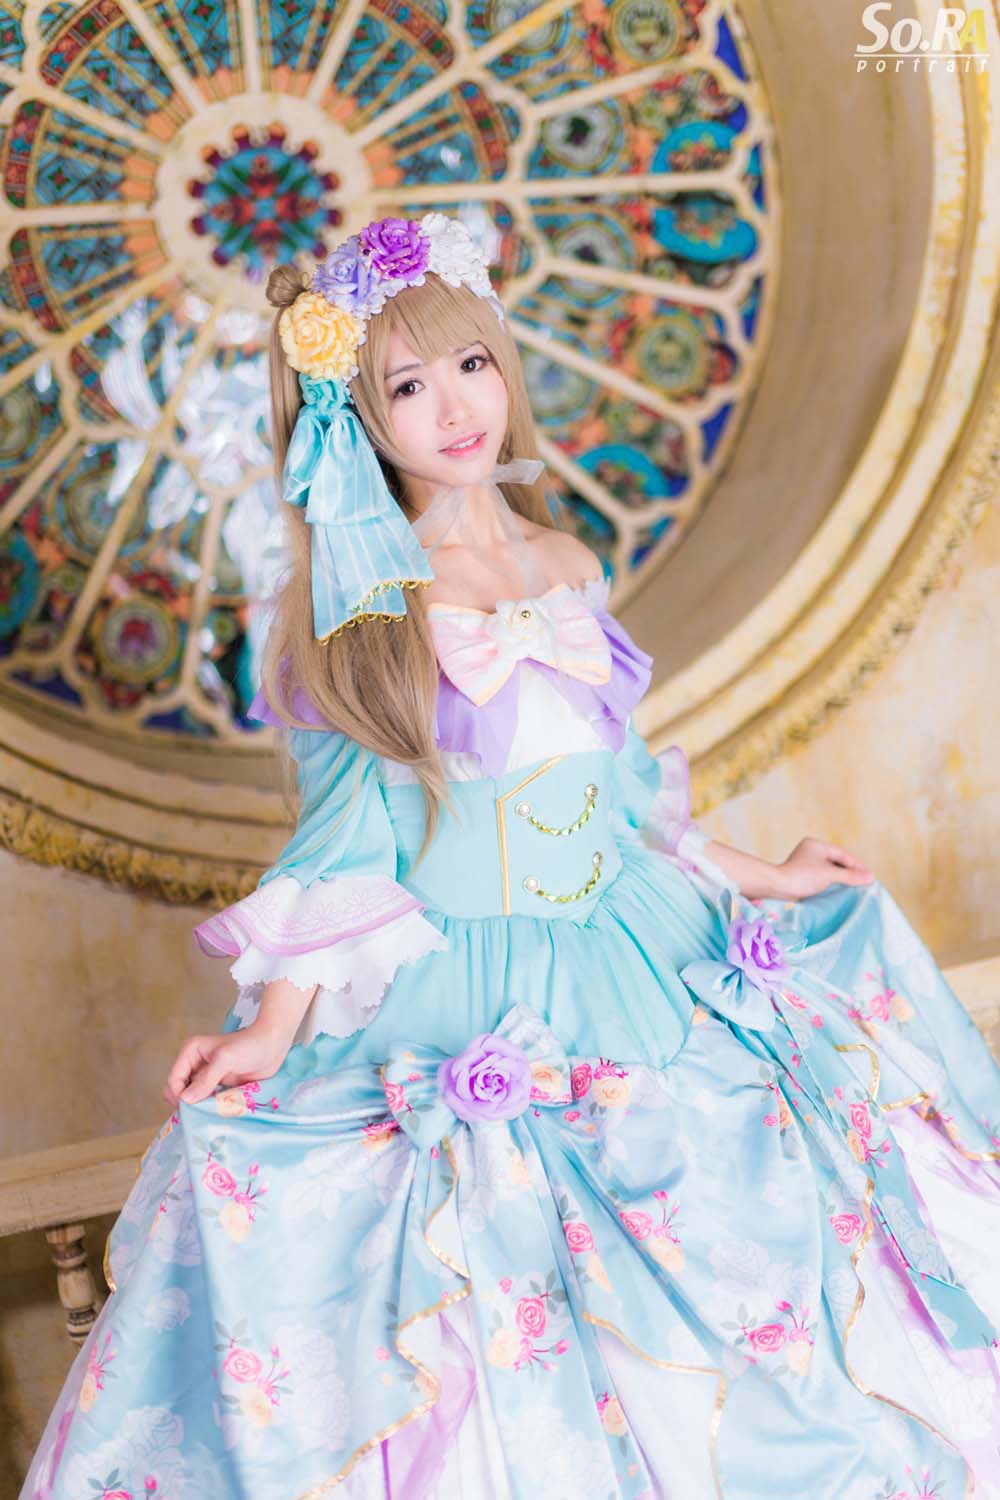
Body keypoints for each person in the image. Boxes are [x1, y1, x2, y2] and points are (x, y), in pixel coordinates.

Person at [19, 214, 1000, 1500]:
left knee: (762, 1232)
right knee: (493, 1304)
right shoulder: (357, 612)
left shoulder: (563, 561)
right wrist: (271, 1027)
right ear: (354, 418)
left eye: (470, 365)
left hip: (632, 937)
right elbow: (346, 839)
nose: (454, 409)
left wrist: (761, 875)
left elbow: (620, 793)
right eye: (405, 388)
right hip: (466, 980)